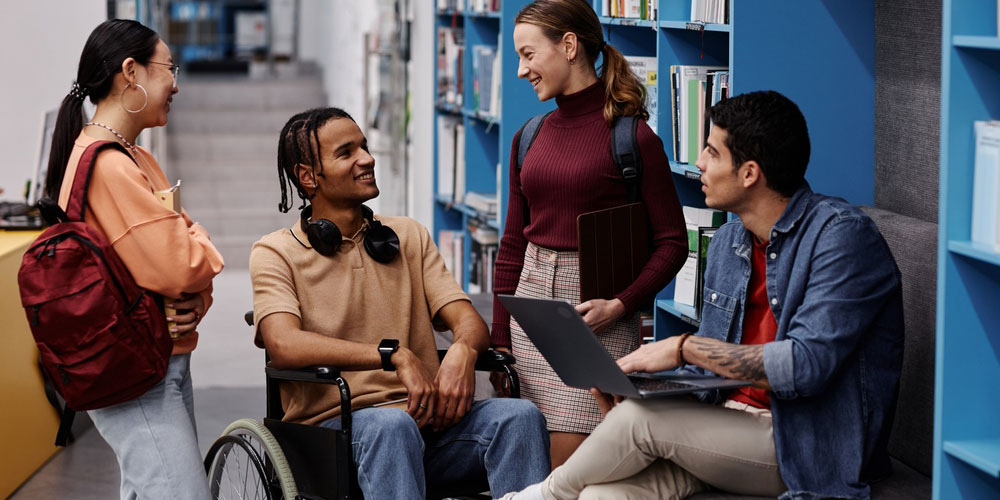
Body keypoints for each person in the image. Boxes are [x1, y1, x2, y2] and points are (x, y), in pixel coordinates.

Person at [498, 90, 905, 500]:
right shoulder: (729, 242)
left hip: (803, 444)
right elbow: (713, 374)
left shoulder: (842, 238)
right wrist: (640, 386)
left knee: (639, 423)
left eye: (712, 151)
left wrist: (682, 348)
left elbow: (806, 365)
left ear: (749, 173)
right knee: (603, 495)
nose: (699, 163)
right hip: (722, 427)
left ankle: (541, 496)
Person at [249, 107, 550, 500]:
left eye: (365, 147)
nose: (367, 159)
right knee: (392, 427)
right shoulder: (275, 252)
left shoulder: (408, 235)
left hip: (429, 426)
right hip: (335, 435)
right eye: (346, 152)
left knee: (519, 417)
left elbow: (467, 320)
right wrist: (394, 356)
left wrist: (461, 352)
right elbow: (283, 344)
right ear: (308, 177)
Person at [491, 0, 689, 468]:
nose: (521, 70)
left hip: (596, 321)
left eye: (528, 54)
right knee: (525, 461)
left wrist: (621, 305)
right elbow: (512, 243)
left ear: (569, 45)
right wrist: (500, 342)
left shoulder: (634, 139)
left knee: (570, 471)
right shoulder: (529, 135)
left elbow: (673, 243)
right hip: (529, 315)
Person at [45, 19, 224, 499]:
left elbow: (179, 274)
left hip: (156, 361)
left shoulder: (132, 158)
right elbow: (182, 264)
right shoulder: (109, 165)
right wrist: (199, 241)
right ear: (131, 72)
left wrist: (191, 291)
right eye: (170, 68)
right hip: (137, 375)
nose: (176, 84)